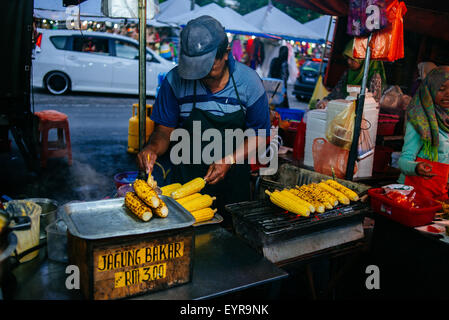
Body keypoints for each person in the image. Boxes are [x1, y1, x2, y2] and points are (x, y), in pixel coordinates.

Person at [136, 16, 271, 227]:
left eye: (207, 69)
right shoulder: (175, 81)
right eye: (194, 70)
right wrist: (152, 148)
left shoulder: (249, 82)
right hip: (183, 185)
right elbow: (163, 133)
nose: (200, 77)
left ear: (226, 54)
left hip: (233, 187)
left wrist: (229, 159)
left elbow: (260, 137)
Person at [398, 66, 449, 201]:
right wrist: (416, 168)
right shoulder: (420, 120)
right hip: (412, 193)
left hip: (438, 193)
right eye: (441, 89)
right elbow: (403, 161)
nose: (448, 94)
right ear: (430, 90)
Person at [316, 39, 386, 109]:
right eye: (347, 58)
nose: (348, 62)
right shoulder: (348, 72)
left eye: (352, 59)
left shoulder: (375, 76)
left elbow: (374, 102)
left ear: (363, 59)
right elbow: (337, 92)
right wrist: (326, 101)